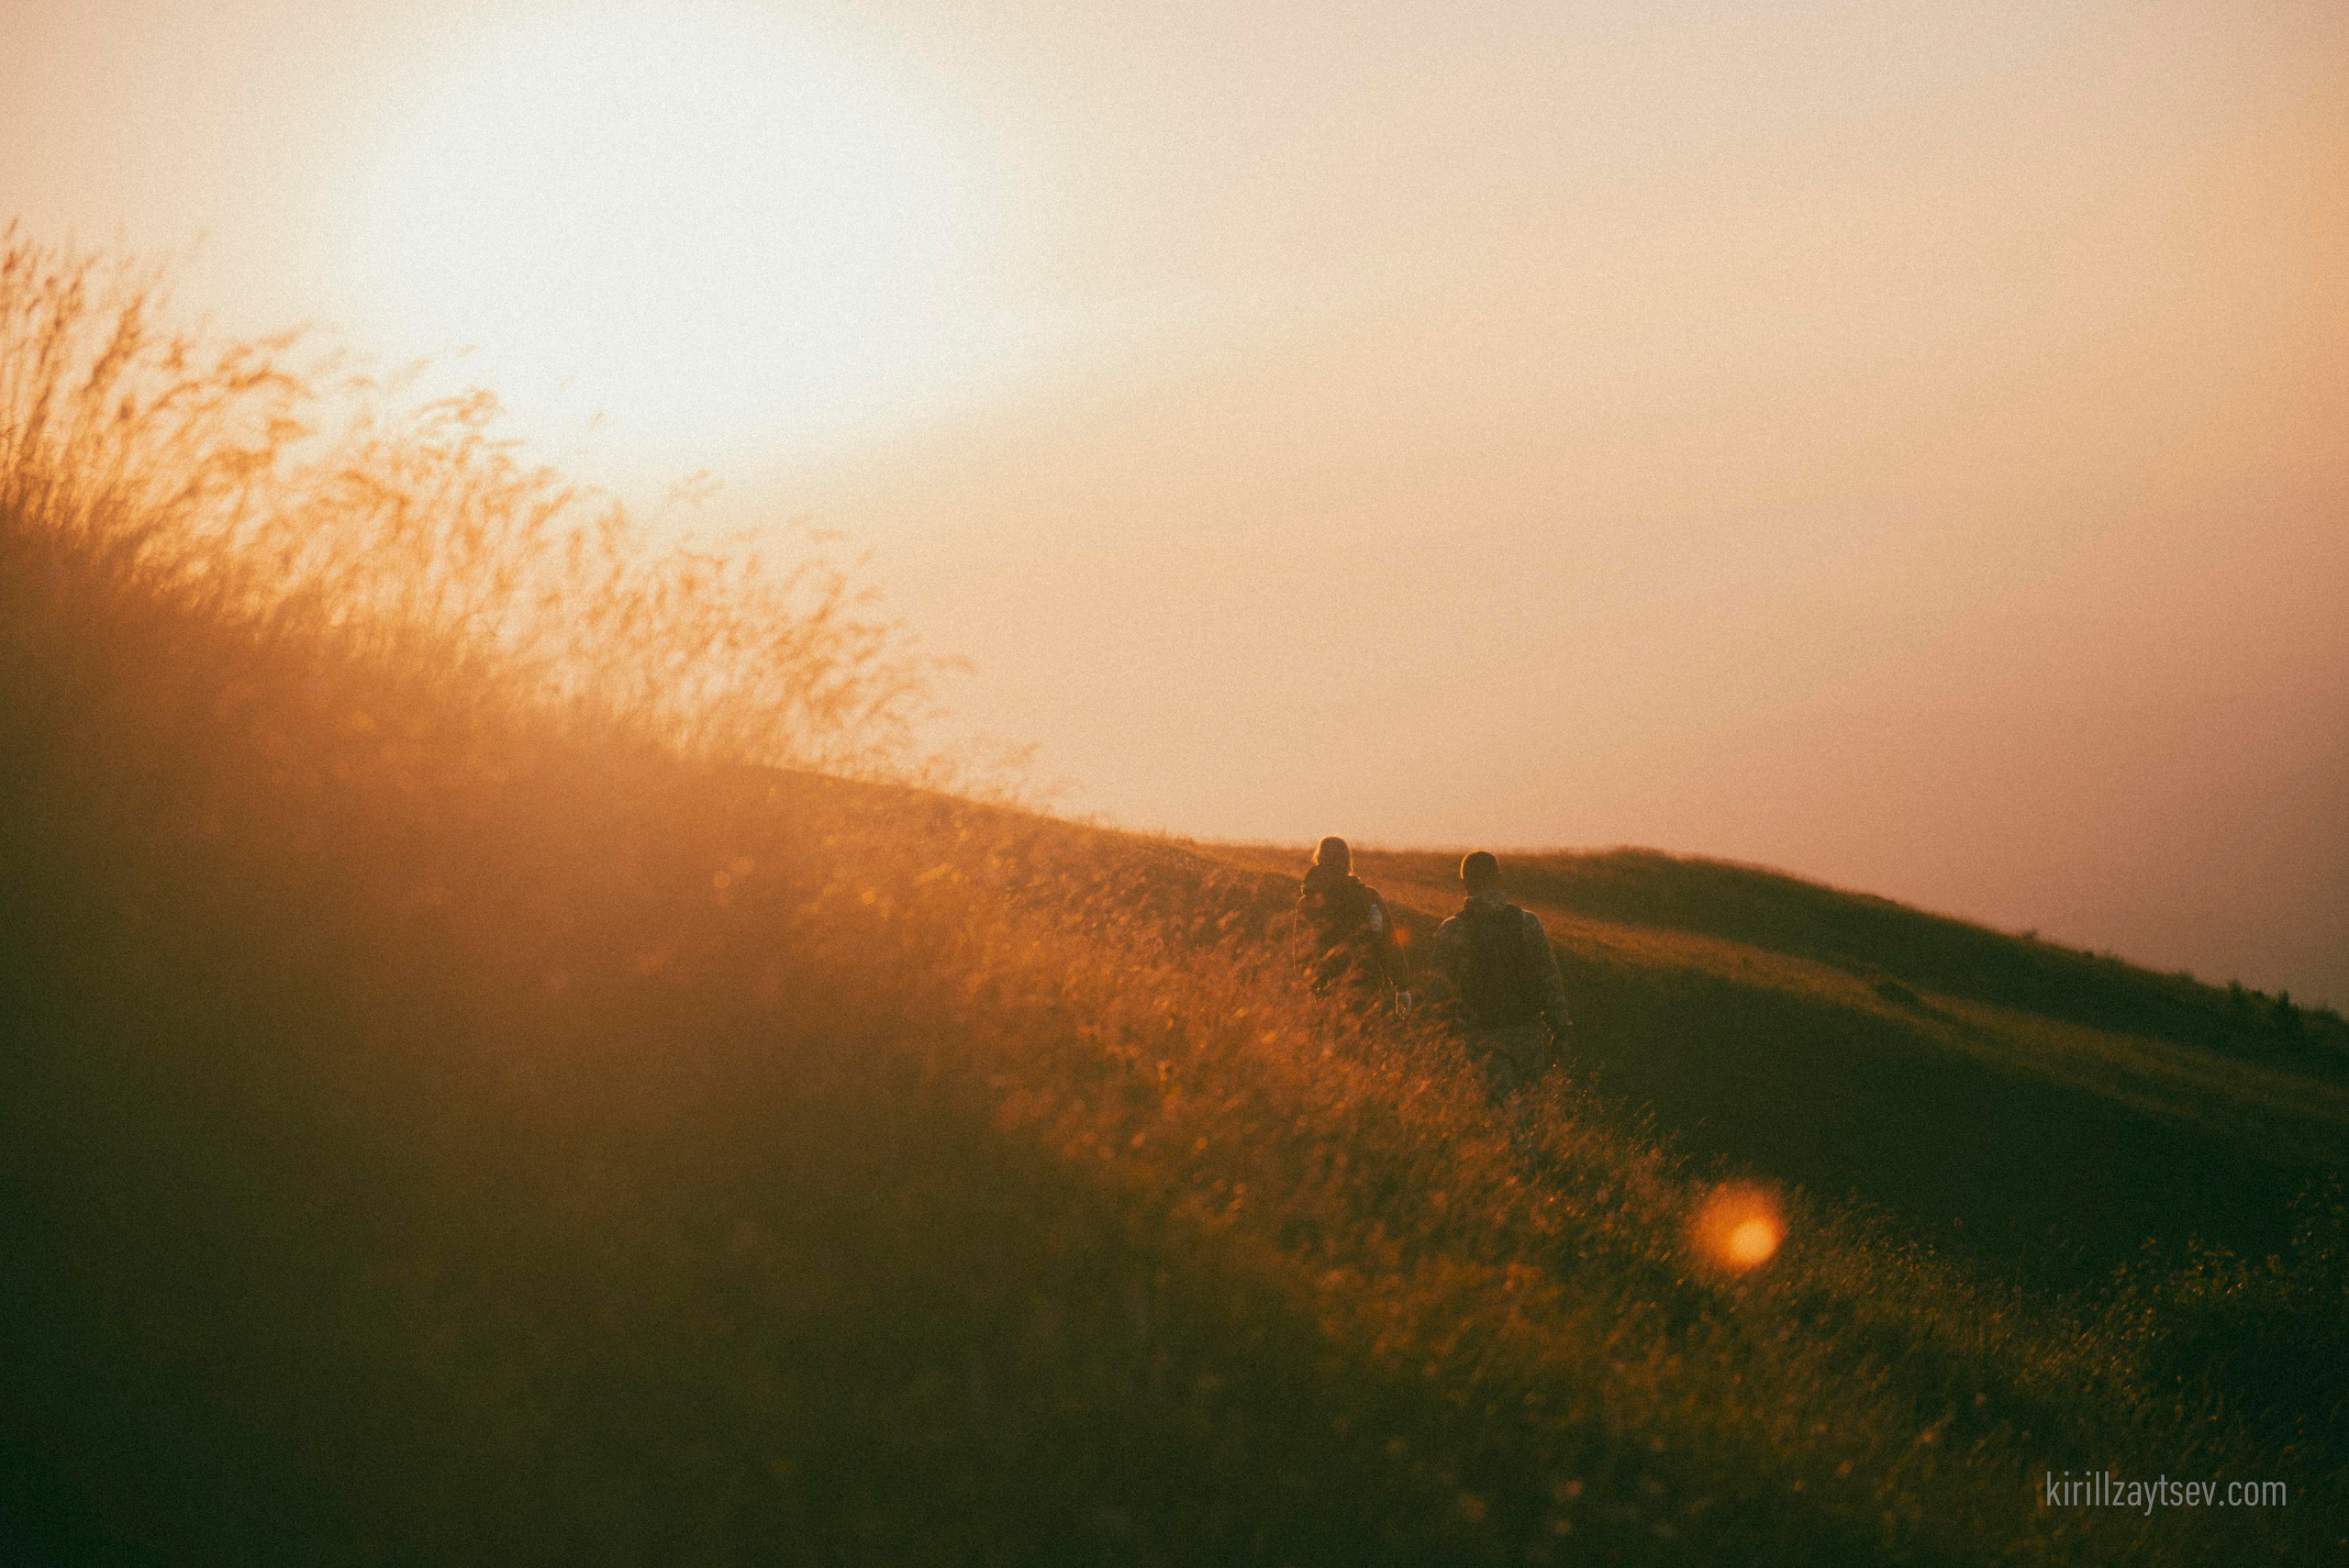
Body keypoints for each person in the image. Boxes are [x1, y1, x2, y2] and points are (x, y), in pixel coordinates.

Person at [1432, 851, 1573, 1098]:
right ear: (1498, 878)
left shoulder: (1452, 930)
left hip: (1482, 1038)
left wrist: (1440, 1039)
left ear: (1464, 882)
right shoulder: (1528, 923)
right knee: (1530, 1110)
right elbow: (1550, 981)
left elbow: (1439, 991)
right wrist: (1560, 1031)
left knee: (1502, 1112)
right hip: (1528, 1035)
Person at [1296, 836, 1410, 1007]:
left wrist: (1302, 990)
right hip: (1365, 988)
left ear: (1319, 860)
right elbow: (1387, 940)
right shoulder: (1368, 898)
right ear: (1348, 862)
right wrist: (1402, 986)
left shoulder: (1308, 903)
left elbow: (1300, 952)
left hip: (1321, 990)